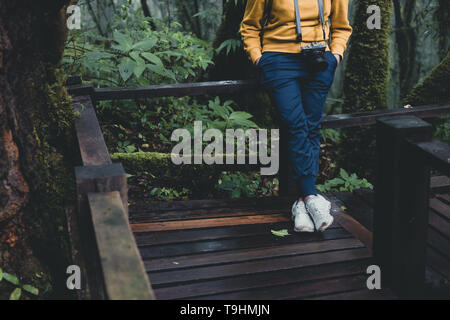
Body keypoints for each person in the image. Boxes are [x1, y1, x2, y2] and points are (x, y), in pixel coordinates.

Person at [241, 0, 352, 232]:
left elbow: (341, 26)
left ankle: (301, 206)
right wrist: (259, 58)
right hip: (278, 60)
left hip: (320, 60)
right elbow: (249, 26)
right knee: (294, 124)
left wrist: (336, 56)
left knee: (311, 126)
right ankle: (311, 196)